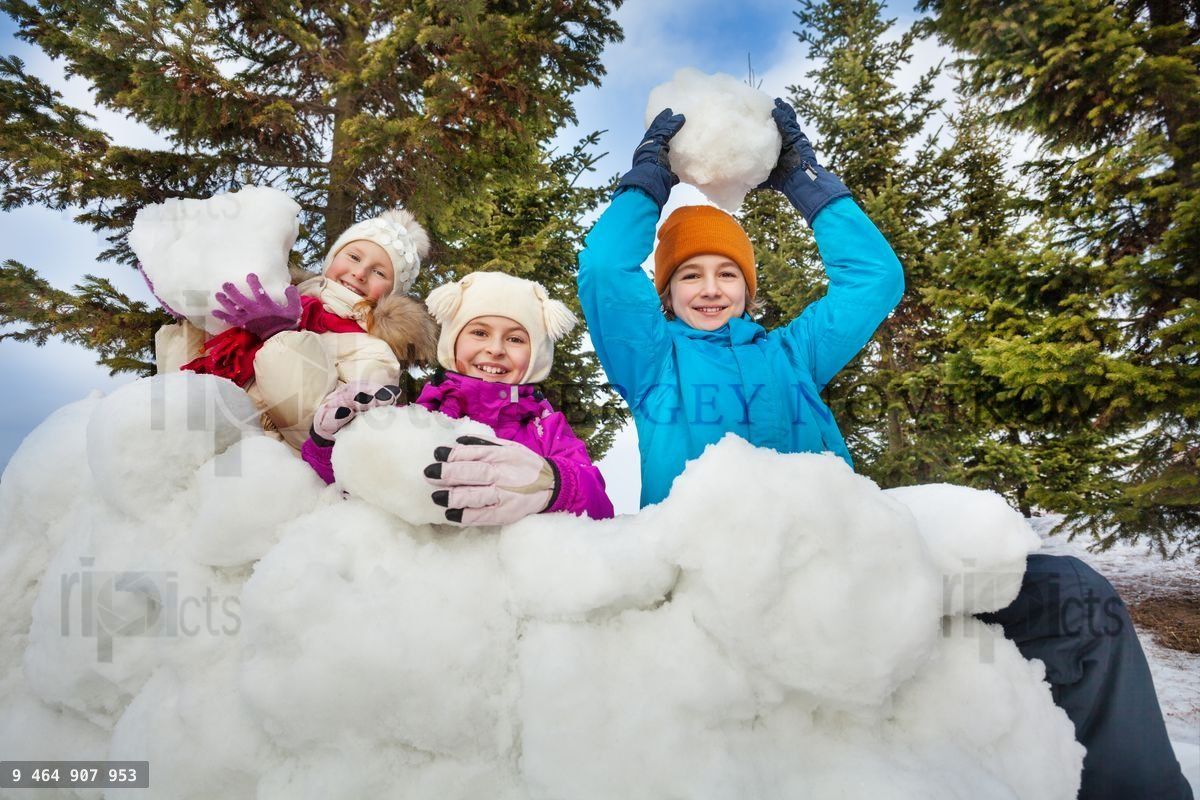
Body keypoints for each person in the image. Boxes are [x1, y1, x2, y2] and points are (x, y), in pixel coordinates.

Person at [576, 101, 1192, 800]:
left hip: (851, 575)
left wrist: (807, 184)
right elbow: (602, 269)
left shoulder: (794, 355)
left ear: (748, 287)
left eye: (726, 273)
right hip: (721, 593)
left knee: (1074, 597)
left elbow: (875, 280)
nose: (710, 288)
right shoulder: (652, 361)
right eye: (690, 275)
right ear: (667, 291)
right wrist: (647, 181)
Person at [301, 271, 615, 525]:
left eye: (516, 338)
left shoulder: (546, 428)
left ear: (536, 356)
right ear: (453, 341)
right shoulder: (418, 412)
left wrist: (557, 485)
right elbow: (349, 489)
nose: (495, 348)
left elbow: (600, 508)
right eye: (479, 332)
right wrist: (331, 444)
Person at [160, 208, 438, 449]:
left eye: (379, 272)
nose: (360, 272)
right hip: (192, 449)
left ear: (392, 292)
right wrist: (191, 321)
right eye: (353, 256)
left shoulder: (374, 351)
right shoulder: (270, 298)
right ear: (332, 259)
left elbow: (324, 436)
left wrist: (280, 336)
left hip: (270, 474)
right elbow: (181, 383)